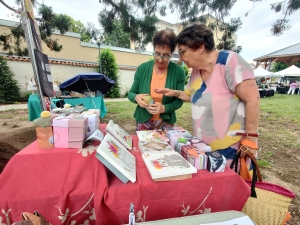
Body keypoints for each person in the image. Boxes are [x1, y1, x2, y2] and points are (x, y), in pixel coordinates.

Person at [155, 22, 260, 177]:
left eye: (183, 52)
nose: (181, 59)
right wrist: (175, 93)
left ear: (200, 47)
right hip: (204, 148)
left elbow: (253, 99)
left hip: (233, 149)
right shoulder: (196, 71)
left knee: (231, 192)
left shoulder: (229, 62)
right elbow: (192, 96)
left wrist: (251, 139)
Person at [128, 30, 185, 131]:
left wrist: (164, 108)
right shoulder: (142, 69)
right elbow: (131, 93)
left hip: (166, 123)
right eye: (157, 54)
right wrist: (136, 97)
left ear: (172, 53)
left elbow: (179, 100)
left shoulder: (179, 72)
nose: (160, 59)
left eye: (166, 55)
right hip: (143, 120)